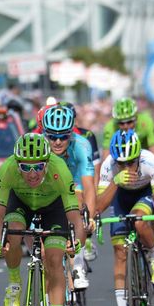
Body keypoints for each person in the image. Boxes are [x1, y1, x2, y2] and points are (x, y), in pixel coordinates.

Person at [0, 133, 85, 306]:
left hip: (54, 207)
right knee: (11, 233)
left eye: (39, 166)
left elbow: (75, 217)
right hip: (21, 202)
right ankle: (14, 281)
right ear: (17, 163)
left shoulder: (59, 169)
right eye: (25, 167)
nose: (32, 173)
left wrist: (77, 242)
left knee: (53, 259)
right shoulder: (7, 169)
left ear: (47, 162)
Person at [95, 129, 154, 306]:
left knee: (139, 220)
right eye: (122, 163)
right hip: (120, 198)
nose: (126, 167)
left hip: (144, 196)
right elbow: (99, 206)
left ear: (138, 157)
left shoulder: (150, 162)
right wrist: (115, 181)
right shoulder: (108, 166)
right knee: (119, 252)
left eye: (131, 162)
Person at [40, 104, 95, 291]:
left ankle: (78, 265)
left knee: (78, 205)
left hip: (74, 184)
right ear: (44, 134)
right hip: (46, 188)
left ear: (70, 134)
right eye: (52, 136)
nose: (57, 142)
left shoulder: (81, 145)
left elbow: (88, 186)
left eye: (63, 136)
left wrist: (91, 217)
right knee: (43, 252)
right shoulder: (38, 146)